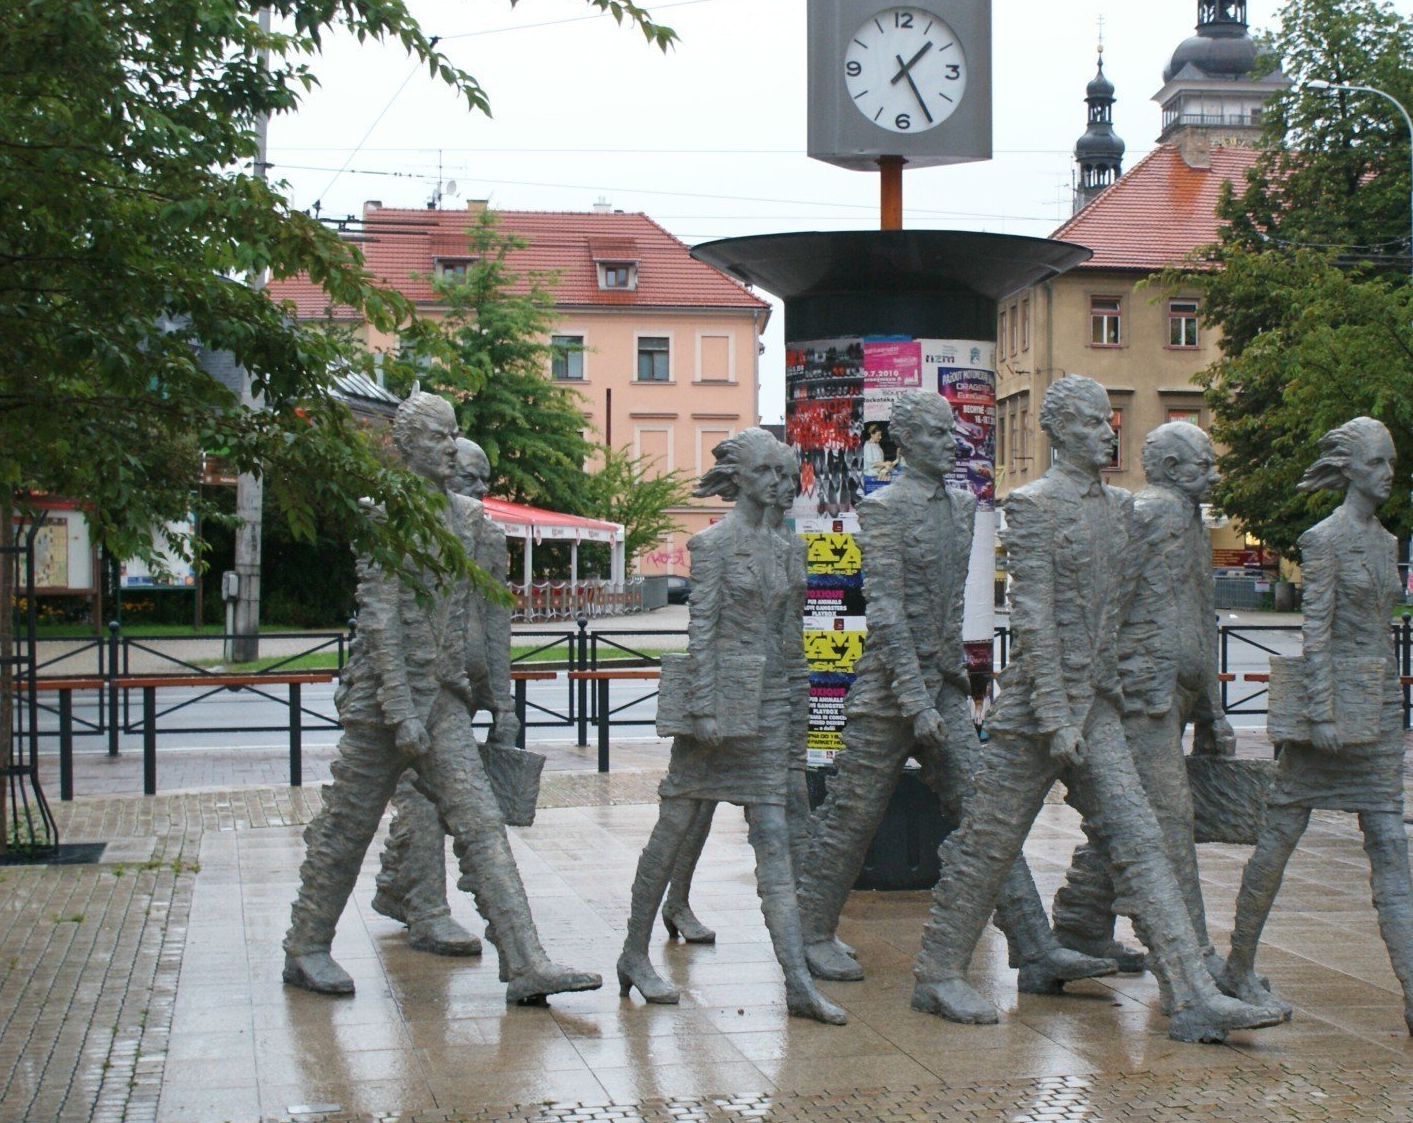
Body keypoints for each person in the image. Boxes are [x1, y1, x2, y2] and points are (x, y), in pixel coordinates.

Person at [908, 375, 1284, 1044]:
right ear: (1057, 432)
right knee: (989, 844)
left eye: (1108, 422)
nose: (1108, 433)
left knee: (1143, 841)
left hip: (1100, 704)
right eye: (1091, 423)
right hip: (1038, 711)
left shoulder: (1121, 507)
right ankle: (939, 971)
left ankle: (1192, 993)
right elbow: (1033, 616)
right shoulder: (1033, 506)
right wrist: (1055, 713)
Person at [283, 392, 601, 1007]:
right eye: (437, 438)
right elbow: (379, 621)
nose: (451, 448)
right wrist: (401, 711)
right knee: (346, 829)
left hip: (444, 701)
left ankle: (526, 960)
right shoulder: (386, 515)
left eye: (453, 436)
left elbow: (481, 617)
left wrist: (485, 698)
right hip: (384, 707)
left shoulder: (468, 518)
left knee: (482, 826)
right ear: (405, 446)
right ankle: (306, 946)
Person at [799, 390, 1112, 992]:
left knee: (983, 814)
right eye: (941, 435)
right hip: (890, 690)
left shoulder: (964, 506)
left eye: (953, 433)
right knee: (853, 814)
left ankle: (1034, 948)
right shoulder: (886, 508)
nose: (955, 444)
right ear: (908, 441)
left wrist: (946, 692)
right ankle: (812, 932)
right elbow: (885, 611)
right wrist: (914, 702)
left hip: (941, 683)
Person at [1216, 417, 1413, 1049]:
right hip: (1327, 721)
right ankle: (1237, 966)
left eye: (1392, 463)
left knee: (1390, 845)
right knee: (1278, 840)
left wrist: (1377, 711)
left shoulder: (1387, 543)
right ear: (1351, 468)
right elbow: (1316, 632)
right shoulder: (1323, 540)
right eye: (1380, 463)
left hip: (1377, 713)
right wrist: (1322, 714)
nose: (1389, 474)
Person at [616, 428, 847, 1025]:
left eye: (787, 471)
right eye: (769, 471)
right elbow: (702, 633)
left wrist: (797, 721)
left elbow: (792, 642)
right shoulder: (713, 544)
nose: (780, 483)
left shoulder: (792, 550)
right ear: (741, 478)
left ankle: (796, 980)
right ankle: (633, 953)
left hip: (770, 709)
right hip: (717, 710)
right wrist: (705, 711)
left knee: (775, 838)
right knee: (675, 827)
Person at [1051, 421, 1242, 998]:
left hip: (1177, 693)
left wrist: (1213, 709)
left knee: (1131, 821)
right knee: (1168, 821)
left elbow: (1199, 615)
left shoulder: (1189, 519)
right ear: (1170, 468)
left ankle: (1081, 927)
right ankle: (1192, 958)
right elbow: (1111, 599)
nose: (1213, 473)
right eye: (1203, 464)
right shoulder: (1151, 512)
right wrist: (1105, 681)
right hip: (1142, 695)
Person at [369, 437, 512, 958]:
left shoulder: (485, 536)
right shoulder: (408, 527)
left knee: (432, 795)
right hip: (417, 683)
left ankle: (394, 889)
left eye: (484, 478)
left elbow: (498, 618)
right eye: (468, 477)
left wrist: (503, 700)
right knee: (421, 798)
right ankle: (427, 909)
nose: (479, 487)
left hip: (463, 681)